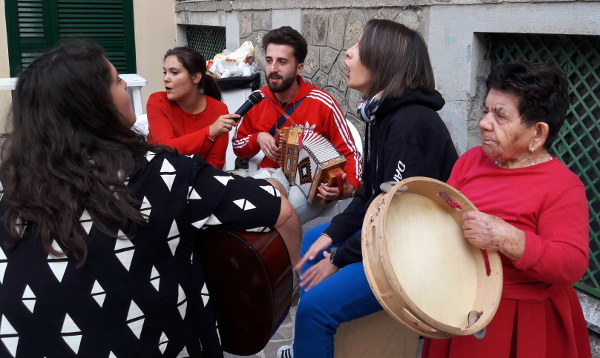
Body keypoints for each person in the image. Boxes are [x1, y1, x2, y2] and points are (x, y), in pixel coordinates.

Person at [0, 40, 300, 357]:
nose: (127, 85)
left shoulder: (8, 183)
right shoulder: (161, 173)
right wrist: (267, 179)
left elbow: (211, 158)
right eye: (117, 80)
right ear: (95, 104)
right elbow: (272, 203)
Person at [277, 19, 458, 358]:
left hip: (410, 258)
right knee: (309, 246)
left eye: (359, 47)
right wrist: (331, 238)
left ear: (383, 59)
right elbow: (369, 197)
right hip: (389, 239)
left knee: (314, 308)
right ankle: (311, 345)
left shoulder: (409, 125)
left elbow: (392, 221)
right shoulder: (385, 112)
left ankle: (312, 335)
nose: (347, 53)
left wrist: (337, 258)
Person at [422, 61, 591, 357]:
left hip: (523, 317)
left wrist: (507, 239)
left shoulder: (563, 186)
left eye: (500, 116)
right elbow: (444, 212)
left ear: (538, 133)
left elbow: (572, 262)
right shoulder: (471, 161)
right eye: (486, 111)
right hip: (461, 302)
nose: (485, 123)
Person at [232, 26, 362, 224]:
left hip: (313, 182)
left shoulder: (322, 102)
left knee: (280, 216)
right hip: (272, 172)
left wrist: (350, 185)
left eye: (282, 62)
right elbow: (237, 147)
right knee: (258, 204)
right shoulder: (256, 100)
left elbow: (351, 152)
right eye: (269, 60)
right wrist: (257, 138)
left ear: (299, 67)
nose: (273, 68)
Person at [147, 47, 239, 170]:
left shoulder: (219, 110)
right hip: (160, 175)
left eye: (174, 73)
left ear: (196, 77)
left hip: (201, 181)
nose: (166, 78)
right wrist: (209, 132)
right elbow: (166, 149)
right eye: (165, 72)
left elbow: (215, 164)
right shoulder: (157, 101)